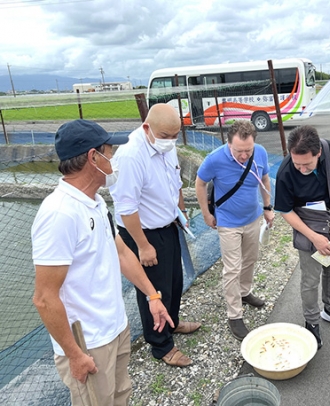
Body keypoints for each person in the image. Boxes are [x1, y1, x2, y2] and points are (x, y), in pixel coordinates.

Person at [32, 119, 174, 405]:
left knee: (120, 394)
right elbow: (44, 298)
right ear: (92, 157)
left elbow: (120, 252)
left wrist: (153, 295)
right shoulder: (59, 214)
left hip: (115, 327)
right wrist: (75, 355)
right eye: (109, 153)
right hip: (89, 344)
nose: (113, 160)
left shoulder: (95, 201)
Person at [109, 104, 201, 368]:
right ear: (147, 128)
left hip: (169, 224)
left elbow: (175, 183)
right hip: (144, 232)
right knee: (153, 290)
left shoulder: (166, 145)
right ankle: (160, 345)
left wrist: (181, 212)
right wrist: (143, 246)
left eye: (175, 136)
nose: (170, 141)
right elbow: (127, 208)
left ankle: (171, 322)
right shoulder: (131, 155)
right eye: (165, 136)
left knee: (173, 280)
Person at [274, 125, 330, 349]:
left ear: (318, 152)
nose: (300, 168)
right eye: (296, 163)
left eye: (306, 164)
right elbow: (285, 211)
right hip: (308, 226)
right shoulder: (285, 172)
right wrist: (314, 238)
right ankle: (311, 322)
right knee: (310, 279)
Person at [195, 120, 274, 340]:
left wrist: (267, 207)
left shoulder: (260, 153)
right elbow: (200, 184)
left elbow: (264, 178)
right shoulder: (215, 159)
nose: (244, 155)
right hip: (228, 221)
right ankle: (234, 315)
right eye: (239, 151)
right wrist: (206, 214)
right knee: (232, 267)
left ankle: (245, 292)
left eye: (248, 150)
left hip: (252, 217)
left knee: (250, 259)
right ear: (229, 144)